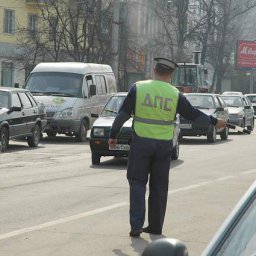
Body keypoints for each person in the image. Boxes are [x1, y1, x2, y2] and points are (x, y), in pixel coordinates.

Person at [108, 57, 226, 237]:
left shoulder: (139, 88)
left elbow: (123, 114)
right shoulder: (175, 94)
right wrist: (214, 121)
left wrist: (113, 135)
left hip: (141, 143)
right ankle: (155, 227)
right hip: (164, 146)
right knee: (159, 186)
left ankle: (136, 226)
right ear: (171, 75)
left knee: (137, 183)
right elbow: (193, 114)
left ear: (154, 70)